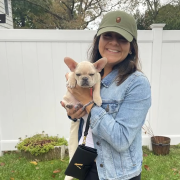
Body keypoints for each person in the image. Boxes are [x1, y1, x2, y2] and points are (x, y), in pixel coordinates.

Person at [62, 10, 151, 180]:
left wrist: (87, 101)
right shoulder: (87, 73)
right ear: (98, 41)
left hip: (117, 173)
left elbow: (121, 139)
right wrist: (74, 114)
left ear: (132, 46)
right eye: (107, 36)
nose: (114, 43)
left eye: (122, 38)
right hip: (85, 162)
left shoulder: (137, 84)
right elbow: (85, 119)